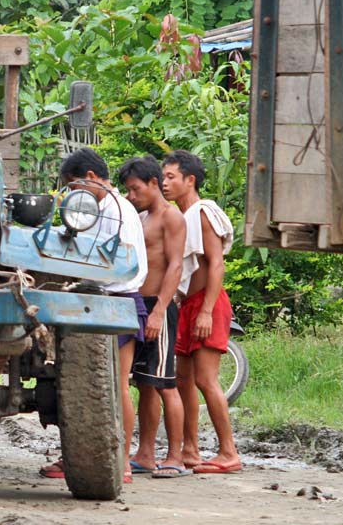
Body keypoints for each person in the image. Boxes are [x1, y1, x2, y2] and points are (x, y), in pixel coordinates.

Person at [39, 147, 148, 484]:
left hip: (116, 301)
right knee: (83, 386)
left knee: (115, 387)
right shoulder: (99, 209)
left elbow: (111, 264)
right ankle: (84, 453)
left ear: (89, 178)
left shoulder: (117, 210)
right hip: (98, 300)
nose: (72, 196)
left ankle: (122, 460)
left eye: (72, 188)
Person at [161, 150, 241, 474]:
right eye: (163, 177)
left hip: (209, 303)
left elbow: (216, 263)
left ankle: (229, 452)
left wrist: (206, 310)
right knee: (183, 380)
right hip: (188, 306)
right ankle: (190, 450)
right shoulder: (179, 217)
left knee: (207, 380)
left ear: (189, 180)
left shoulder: (204, 212)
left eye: (171, 177)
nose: (165, 183)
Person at [118, 156, 189, 478]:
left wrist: (159, 310)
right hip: (138, 303)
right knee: (144, 384)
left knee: (164, 384)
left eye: (135, 189)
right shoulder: (141, 217)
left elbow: (175, 265)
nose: (132, 196)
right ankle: (145, 454)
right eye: (128, 191)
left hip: (157, 306)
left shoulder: (171, 217)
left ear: (152, 183)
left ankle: (176, 455)